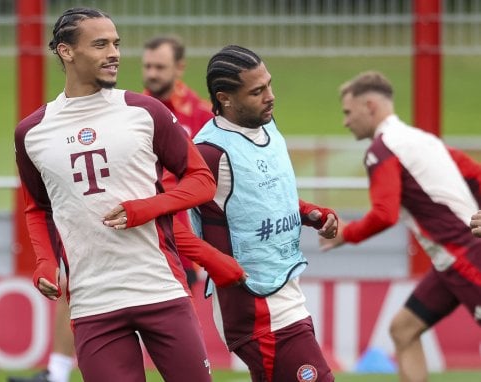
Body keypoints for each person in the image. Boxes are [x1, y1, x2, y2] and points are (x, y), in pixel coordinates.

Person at [14, 7, 245, 382]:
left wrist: (148, 208)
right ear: (66, 52)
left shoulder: (144, 111)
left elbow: (201, 179)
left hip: (160, 289)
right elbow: (37, 209)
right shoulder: (32, 132)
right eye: (100, 44)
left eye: (116, 44)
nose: (114, 53)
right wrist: (45, 262)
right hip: (92, 304)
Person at [189, 45, 338, 382]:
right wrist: (213, 262)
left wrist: (311, 214)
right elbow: (173, 219)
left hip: (284, 286)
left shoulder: (267, 126)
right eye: (257, 91)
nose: (270, 96)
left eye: (269, 85)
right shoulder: (210, 152)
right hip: (254, 306)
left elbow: (265, 199)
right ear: (225, 98)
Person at [319, 71, 481, 382]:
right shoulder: (424, 140)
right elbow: (476, 176)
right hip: (451, 261)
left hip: (464, 257)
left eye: (348, 112)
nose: (345, 121)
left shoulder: (382, 150)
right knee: (403, 329)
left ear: (369, 105)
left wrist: (345, 234)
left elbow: (384, 214)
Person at [142, 34, 215, 289]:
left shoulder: (204, 116)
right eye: (148, 66)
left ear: (180, 67)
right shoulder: (131, 113)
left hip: (181, 240)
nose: (152, 74)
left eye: (159, 67)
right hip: (138, 235)